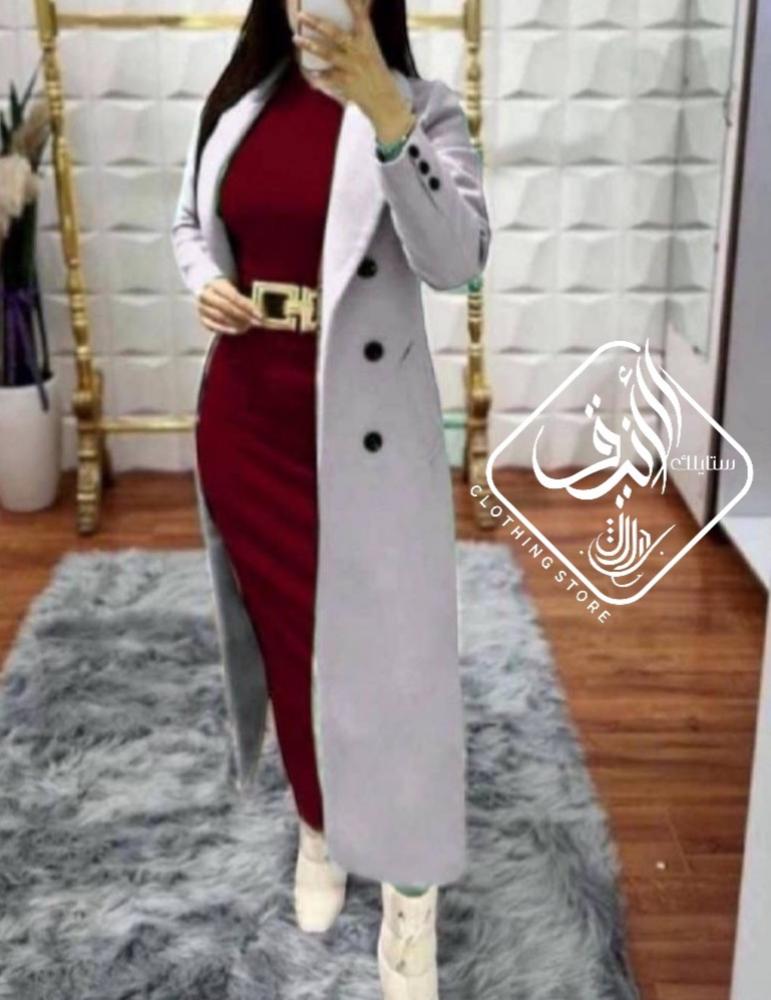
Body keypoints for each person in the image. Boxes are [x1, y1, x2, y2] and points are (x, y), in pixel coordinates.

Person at [171, 0, 490, 995]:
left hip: (364, 437)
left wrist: (387, 115)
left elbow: (458, 261)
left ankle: (410, 897)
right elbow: (187, 223)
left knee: (394, 667)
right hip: (247, 424)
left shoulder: (423, 108)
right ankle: (319, 822)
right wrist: (202, 278)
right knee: (291, 645)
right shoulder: (240, 103)